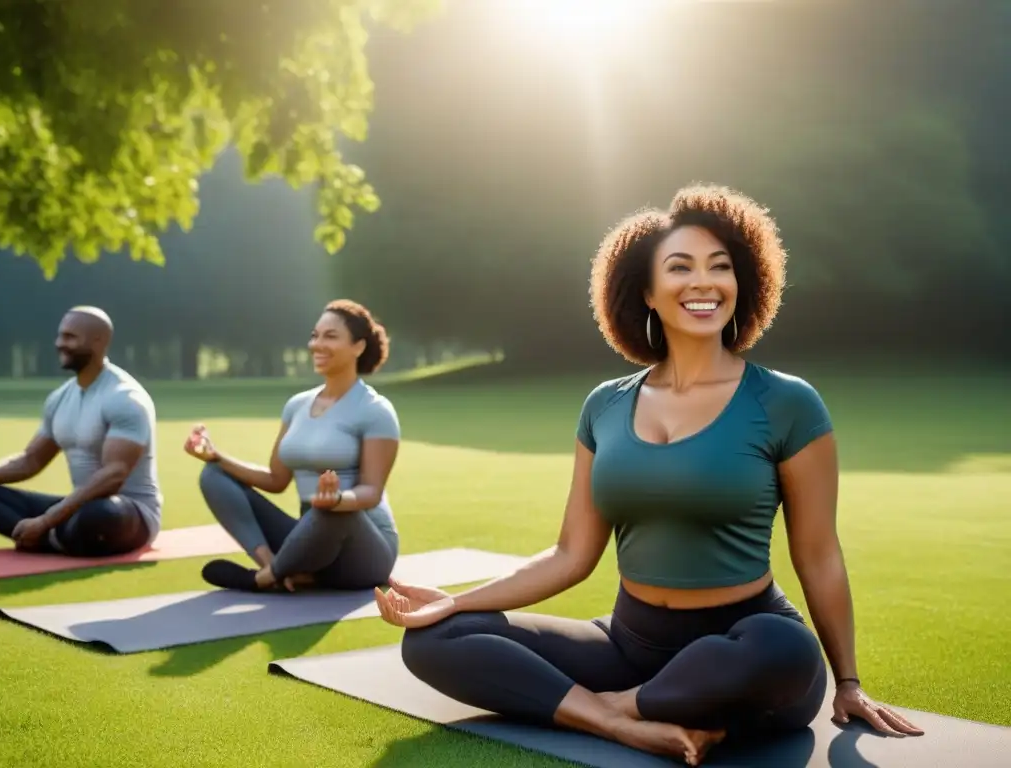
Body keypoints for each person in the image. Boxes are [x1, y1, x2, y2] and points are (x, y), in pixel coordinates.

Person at [373, 185, 924, 766]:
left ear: (744, 282)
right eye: (680, 267)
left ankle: (622, 706)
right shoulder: (604, 406)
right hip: (628, 642)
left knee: (788, 649)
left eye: (721, 267)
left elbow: (818, 553)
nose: (704, 283)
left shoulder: (787, 402)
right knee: (435, 640)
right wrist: (457, 604)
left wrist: (849, 682)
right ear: (647, 292)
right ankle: (620, 720)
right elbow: (569, 555)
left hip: (742, 647)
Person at [189, 299, 401, 593]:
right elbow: (276, 480)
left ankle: (261, 580)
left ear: (358, 347)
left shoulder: (375, 410)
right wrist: (216, 456)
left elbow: (371, 492)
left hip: (365, 550)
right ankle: (273, 565)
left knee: (329, 512)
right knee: (214, 474)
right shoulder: (297, 405)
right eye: (315, 335)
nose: (317, 344)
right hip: (310, 536)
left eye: (330, 336)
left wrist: (339, 500)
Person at [0, 306, 161, 557]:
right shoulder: (59, 399)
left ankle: (46, 536)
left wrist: (46, 520)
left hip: (128, 513)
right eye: (60, 336)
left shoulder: (125, 398)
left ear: (99, 341)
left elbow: (114, 475)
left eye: (70, 337)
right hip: (76, 508)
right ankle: (57, 537)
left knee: (102, 515)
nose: (60, 343)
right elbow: (30, 460)